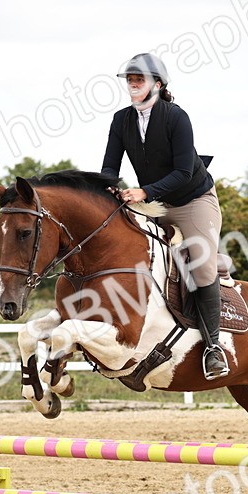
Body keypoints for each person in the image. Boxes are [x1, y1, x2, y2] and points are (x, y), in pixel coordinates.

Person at [101, 52, 229, 380]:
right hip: (154, 203)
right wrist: (105, 192)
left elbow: (185, 172)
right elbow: (109, 168)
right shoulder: (121, 120)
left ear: (157, 85)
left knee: (200, 265)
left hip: (192, 199)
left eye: (138, 79)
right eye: (129, 79)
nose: (132, 84)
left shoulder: (176, 117)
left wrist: (143, 192)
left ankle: (214, 347)